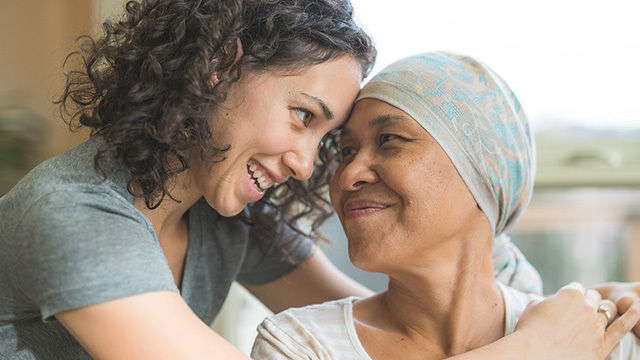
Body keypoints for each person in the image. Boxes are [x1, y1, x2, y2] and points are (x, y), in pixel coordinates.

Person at [0, 0, 636, 358]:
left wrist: (589, 311)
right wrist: (537, 351)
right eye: (302, 116)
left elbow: (392, 316)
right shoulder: (73, 213)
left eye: (323, 138)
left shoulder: (226, 216)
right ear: (218, 67)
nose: (309, 166)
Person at [251, 51, 640, 360]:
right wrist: (534, 350)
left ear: (482, 174)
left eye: (389, 139)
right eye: (346, 150)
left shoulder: (600, 338)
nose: (349, 173)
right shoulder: (298, 345)